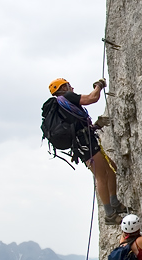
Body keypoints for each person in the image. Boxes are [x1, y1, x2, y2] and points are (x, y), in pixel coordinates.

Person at [48, 77, 122, 225]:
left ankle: (114, 203)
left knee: (111, 169)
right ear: (62, 88)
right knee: (101, 176)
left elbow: (76, 125)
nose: (72, 88)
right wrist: (99, 86)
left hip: (84, 142)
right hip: (85, 144)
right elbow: (92, 98)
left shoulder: (63, 105)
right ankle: (109, 214)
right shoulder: (66, 97)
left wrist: (96, 126)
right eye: (68, 85)